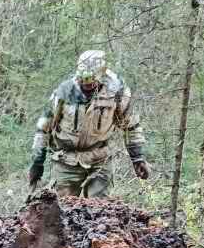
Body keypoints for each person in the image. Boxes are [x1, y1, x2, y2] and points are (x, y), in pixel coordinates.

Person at [28, 50, 150, 198]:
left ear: (101, 74)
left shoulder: (116, 91)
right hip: (66, 160)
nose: (86, 83)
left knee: (99, 211)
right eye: (83, 78)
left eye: (91, 78)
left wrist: (137, 157)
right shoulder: (64, 92)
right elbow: (43, 128)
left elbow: (131, 125)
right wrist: (37, 161)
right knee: (62, 210)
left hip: (99, 159)